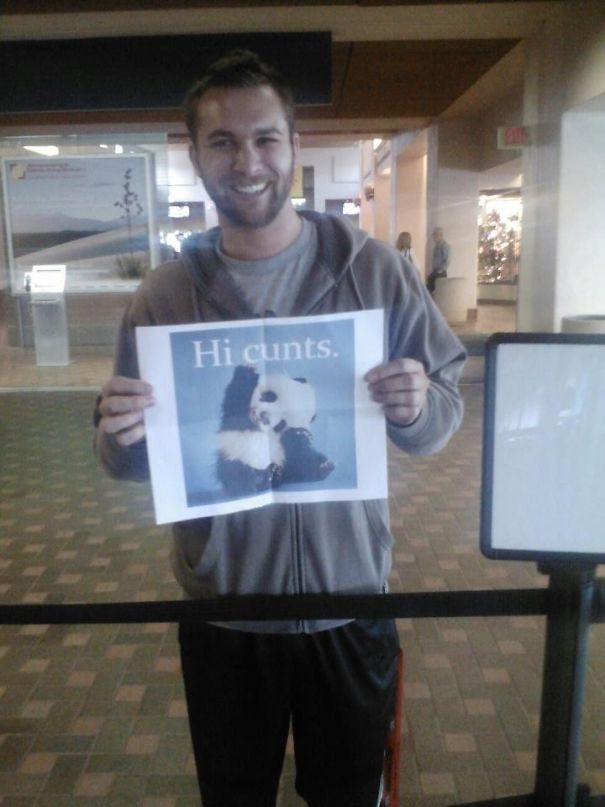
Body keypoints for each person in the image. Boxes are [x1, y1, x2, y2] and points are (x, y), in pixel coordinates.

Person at [94, 49, 466, 807]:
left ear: (293, 147)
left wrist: (415, 405)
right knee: (234, 794)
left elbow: (440, 419)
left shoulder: (375, 271)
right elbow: (126, 458)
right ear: (195, 155)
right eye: (222, 142)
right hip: (225, 613)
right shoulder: (164, 296)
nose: (246, 161)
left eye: (264, 138)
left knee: (347, 791)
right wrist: (119, 435)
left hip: (351, 600)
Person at [426, 226, 451, 293]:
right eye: (433, 234)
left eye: (435, 234)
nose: (433, 236)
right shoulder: (436, 246)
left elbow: (447, 260)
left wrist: (441, 270)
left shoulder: (444, 246)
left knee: (438, 291)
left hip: (440, 272)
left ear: (440, 235)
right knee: (430, 287)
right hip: (436, 271)